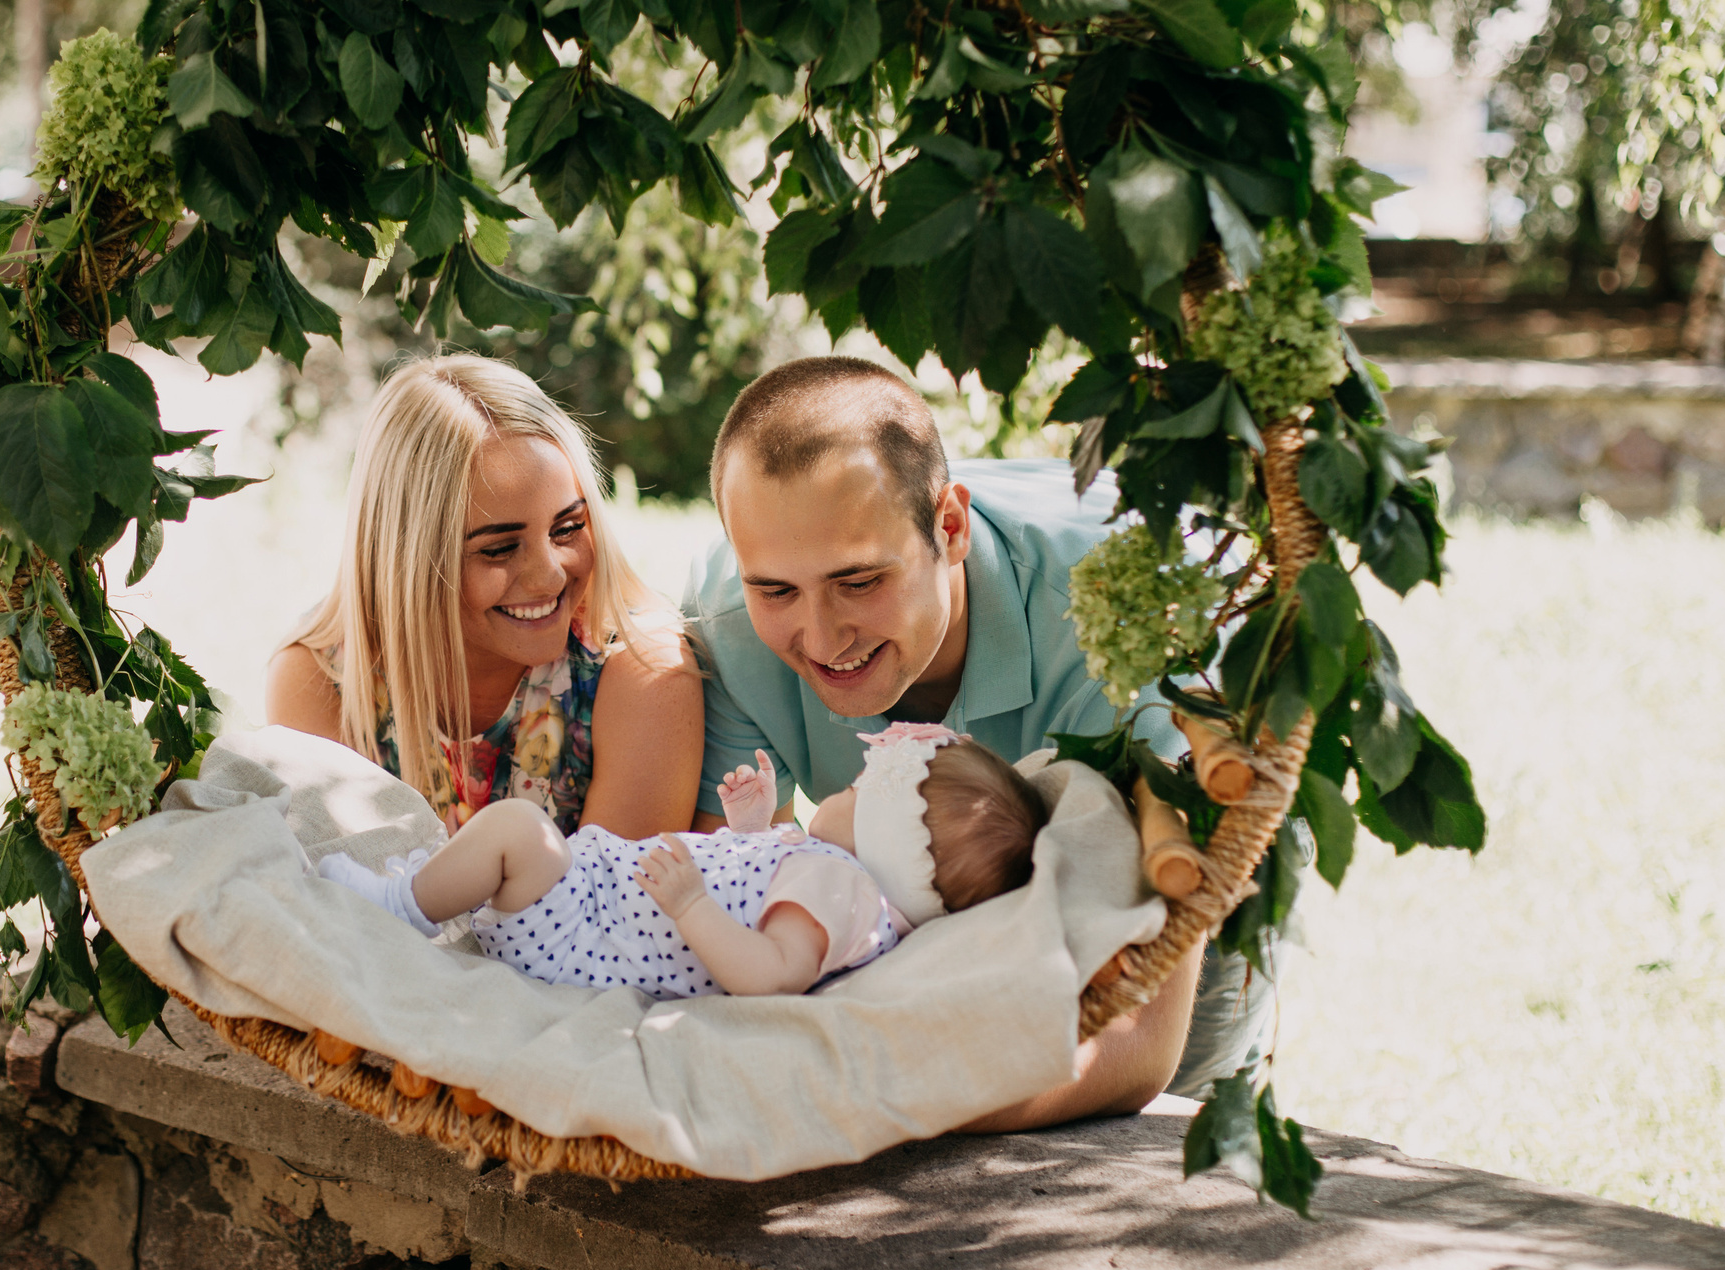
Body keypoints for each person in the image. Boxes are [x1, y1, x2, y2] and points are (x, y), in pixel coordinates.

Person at [683, 355, 1273, 1126]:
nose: (821, 636)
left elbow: (1137, 1043)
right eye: (776, 590)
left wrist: (879, 1092)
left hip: (1173, 882)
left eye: (859, 581)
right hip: (904, 912)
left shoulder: (1121, 625)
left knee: (1186, 1148)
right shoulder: (727, 624)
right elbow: (734, 896)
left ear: (950, 528)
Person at [269, 354, 702, 840]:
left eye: (569, 527)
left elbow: (617, 904)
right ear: (408, 559)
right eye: (498, 549)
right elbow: (333, 901)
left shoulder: (643, 664)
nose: (548, 577)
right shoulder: (321, 677)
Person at [317, 724, 1044, 1000]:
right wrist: (755, 828)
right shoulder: (831, 874)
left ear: (891, 847)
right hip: (599, 913)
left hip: (591, 941)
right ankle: (430, 885)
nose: (843, 790)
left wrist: (692, 904)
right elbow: (761, 901)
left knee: (517, 828)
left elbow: (770, 971)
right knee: (520, 839)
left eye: (858, 791)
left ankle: (400, 907)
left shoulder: (844, 886)